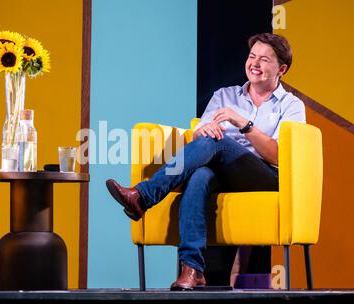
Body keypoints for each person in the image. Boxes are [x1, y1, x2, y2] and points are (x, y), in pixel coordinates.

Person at [106, 33, 305, 290]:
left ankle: (143, 196)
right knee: (199, 176)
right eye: (252, 56)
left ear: (281, 69)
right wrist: (205, 131)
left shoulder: (291, 105)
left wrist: (244, 124)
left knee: (217, 143)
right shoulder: (225, 95)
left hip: (263, 176)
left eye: (264, 59)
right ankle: (192, 270)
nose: (254, 63)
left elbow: (278, 154)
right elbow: (199, 134)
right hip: (220, 172)